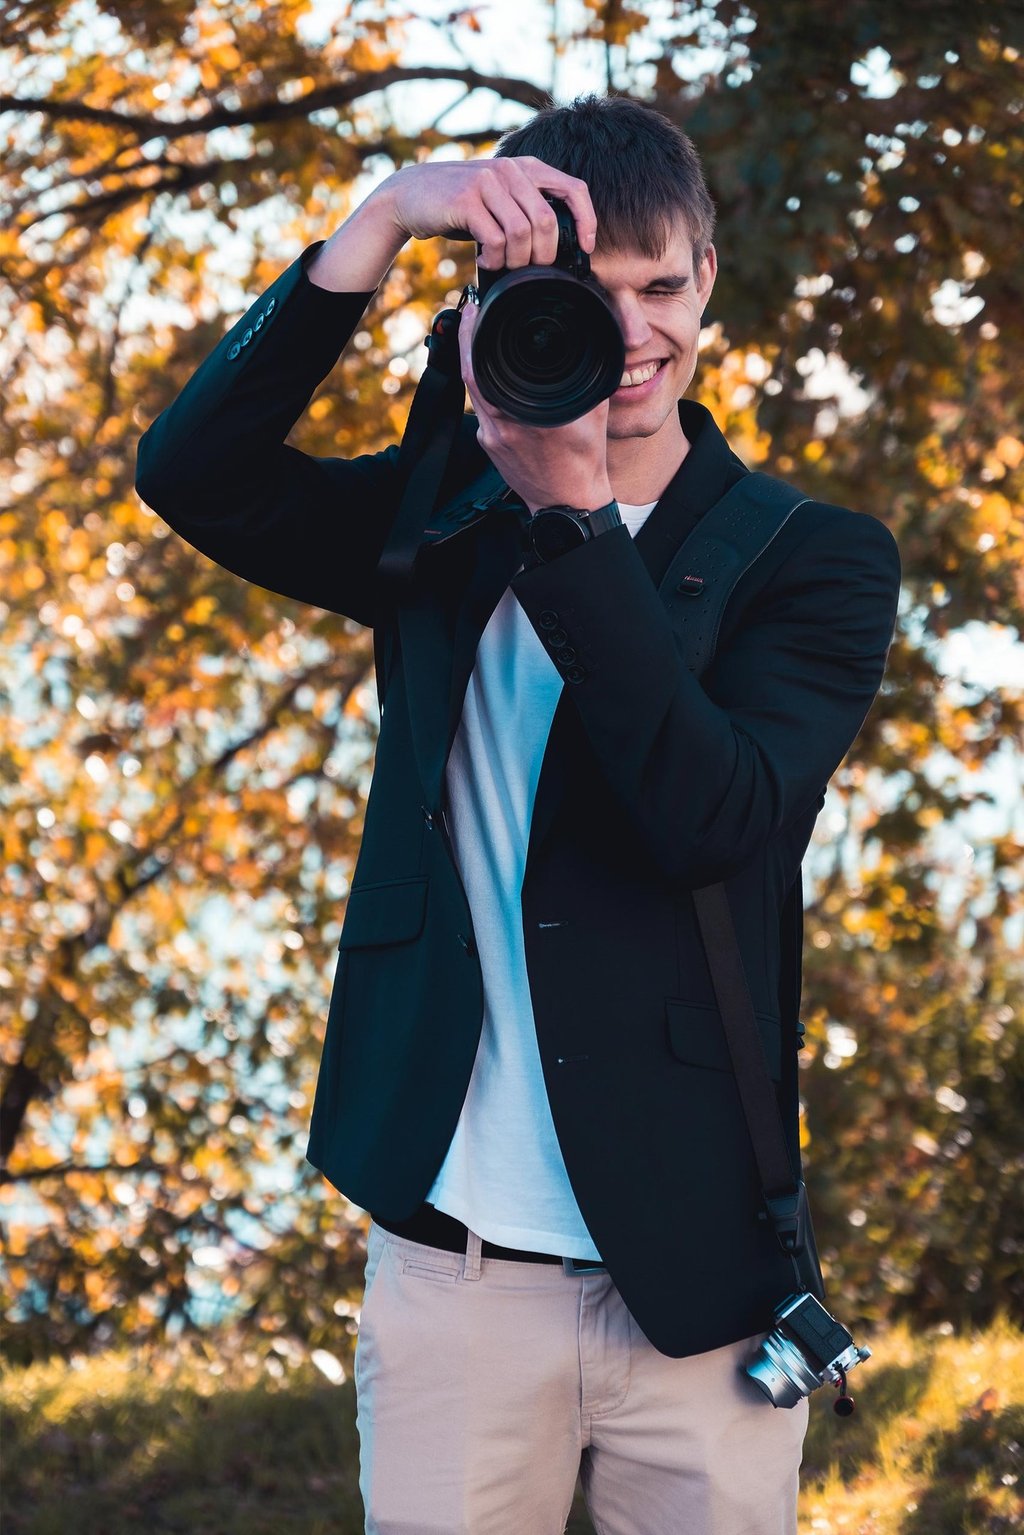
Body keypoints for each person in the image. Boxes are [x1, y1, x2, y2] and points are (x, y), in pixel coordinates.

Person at [135, 93, 901, 1535]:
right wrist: (374, 225)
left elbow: (712, 819)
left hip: (705, 1291)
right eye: (581, 298)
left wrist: (578, 522)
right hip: (456, 1272)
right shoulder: (442, 524)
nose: (630, 335)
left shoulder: (815, 562)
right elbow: (191, 474)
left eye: (658, 287)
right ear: (497, 307)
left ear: (706, 279)